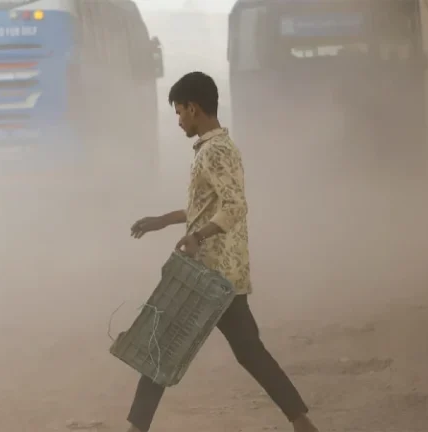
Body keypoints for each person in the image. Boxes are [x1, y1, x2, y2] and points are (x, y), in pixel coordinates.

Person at [127, 72, 319, 432]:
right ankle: (301, 421)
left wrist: (197, 236)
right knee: (249, 352)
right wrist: (163, 220)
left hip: (207, 274)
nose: (179, 121)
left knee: (160, 348)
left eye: (179, 112)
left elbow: (234, 206)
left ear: (193, 108)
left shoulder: (214, 152)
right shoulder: (218, 147)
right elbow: (206, 207)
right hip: (223, 275)